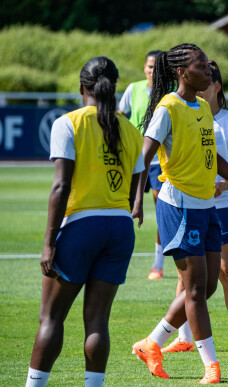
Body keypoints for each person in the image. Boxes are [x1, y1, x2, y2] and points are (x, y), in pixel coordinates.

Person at [130, 44, 228, 384]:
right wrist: (137, 199)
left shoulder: (200, 107)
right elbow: (144, 156)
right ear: (183, 73)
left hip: (206, 206)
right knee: (196, 290)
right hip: (178, 206)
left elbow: (216, 160)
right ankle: (211, 366)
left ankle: (152, 343)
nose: (208, 71)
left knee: (209, 285)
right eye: (201, 65)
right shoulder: (168, 108)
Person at [26, 57, 144, 387]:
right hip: (120, 229)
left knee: (50, 318)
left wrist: (49, 241)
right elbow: (135, 188)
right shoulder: (131, 130)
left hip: (81, 226)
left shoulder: (68, 123)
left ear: (82, 88)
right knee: (97, 321)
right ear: (114, 88)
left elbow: (61, 186)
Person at [160, 60, 228, 355]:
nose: (200, 88)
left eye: (207, 80)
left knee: (227, 271)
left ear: (216, 86)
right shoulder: (184, 114)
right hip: (188, 205)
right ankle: (184, 336)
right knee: (186, 276)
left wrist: (225, 187)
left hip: (221, 206)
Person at [118, 49, 166, 280]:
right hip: (133, 158)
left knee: (161, 209)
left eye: (157, 67)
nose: (152, 71)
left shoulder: (169, 93)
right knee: (125, 207)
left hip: (159, 161)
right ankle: (117, 257)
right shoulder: (133, 89)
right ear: (144, 68)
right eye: (149, 66)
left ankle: (158, 264)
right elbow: (119, 115)